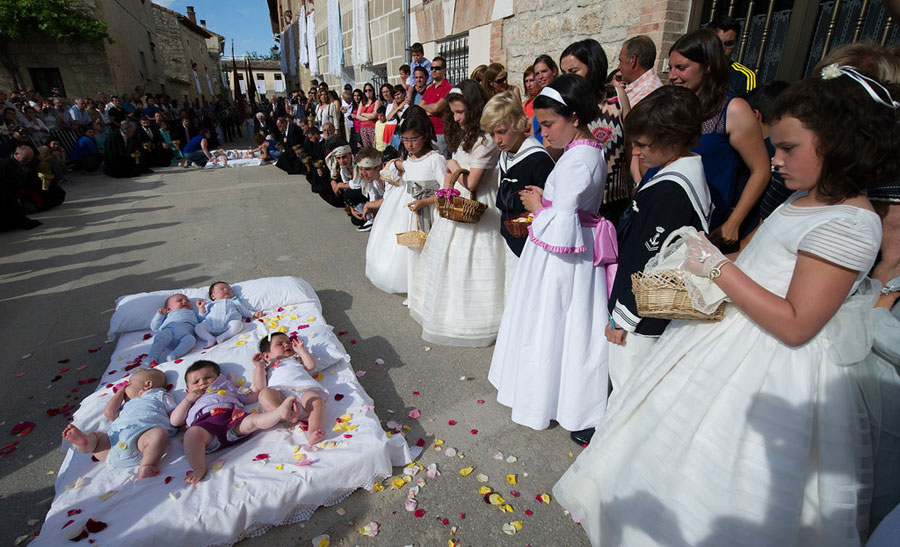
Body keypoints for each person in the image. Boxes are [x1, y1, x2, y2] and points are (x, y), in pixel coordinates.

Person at [553, 65, 898, 546]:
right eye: (774, 145)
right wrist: (721, 259)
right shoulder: (806, 199)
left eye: (788, 148)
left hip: (772, 362)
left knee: (724, 471)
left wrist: (717, 267)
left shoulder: (850, 223)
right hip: (735, 333)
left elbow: (798, 323)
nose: (774, 160)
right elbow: (763, 261)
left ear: (841, 142)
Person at [489, 74, 610, 431]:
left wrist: (538, 205)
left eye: (548, 124)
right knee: (552, 324)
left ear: (574, 117)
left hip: (562, 259)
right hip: (563, 252)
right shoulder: (581, 152)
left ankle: (543, 399)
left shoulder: (578, 160)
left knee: (552, 324)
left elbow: (562, 220)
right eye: (540, 125)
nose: (544, 134)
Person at [604, 84, 711, 407]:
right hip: (652, 306)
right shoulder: (683, 171)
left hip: (643, 312)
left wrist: (623, 318)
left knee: (628, 386)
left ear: (673, 140)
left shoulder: (670, 191)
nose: (637, 152)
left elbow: (645, 257)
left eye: (643, 145)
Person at [409, 81, 506, 346]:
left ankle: (471, 318)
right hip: (456, 201)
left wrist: (452, 164)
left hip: (476, 203)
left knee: (472, 260)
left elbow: (472, 182)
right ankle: (448, 310)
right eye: (453, 112)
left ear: (474, 109)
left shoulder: (485, 141)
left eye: (461, 112)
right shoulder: (467, 137)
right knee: (451, 259)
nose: (457, 117)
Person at [667, 28, 770, 247]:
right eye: (670, 68)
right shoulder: (674, 104)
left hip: (703, 225)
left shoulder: (733, 110)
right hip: (665, 214)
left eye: (681, 68)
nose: (672, 76)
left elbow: (761, 170)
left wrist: (733, 223)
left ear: (708, 67)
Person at [171, 360, 299, 483]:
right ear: (187, 390)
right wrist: (187, 400)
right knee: (192, 434)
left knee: (254, 420)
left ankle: (279, 413)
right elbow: (175, 421)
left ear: (219, 378)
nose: (202, 383)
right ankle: (198, 468)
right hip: (207, 429)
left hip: (234, 420)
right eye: (196, 382)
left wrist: (259, 368)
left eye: (208, 377)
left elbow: (254, 394)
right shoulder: (190, 401)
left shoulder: (228, 386)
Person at [365, 107, 439, 294]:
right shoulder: (409, 159)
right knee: (409, 247)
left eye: (413, 140)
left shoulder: (435, 159)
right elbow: (406, 173)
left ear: (424, 136)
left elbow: (445, 188)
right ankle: (412, 285)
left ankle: (425, 286)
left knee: (425, 246)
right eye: (405, 140)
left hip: (427, 207)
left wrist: (426, 201)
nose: (409, 145)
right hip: (407, 206)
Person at [560, 39, 630, 224]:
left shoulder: (616, 97)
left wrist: (638, 181)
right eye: (564, 73)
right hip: (580, 200)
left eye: (574, 71)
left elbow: (631, 144)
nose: (568, 78)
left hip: (615, 200)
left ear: (593, 67)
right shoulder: (565, 104)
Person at [61, 368, 176, 479]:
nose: (125, 387)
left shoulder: (160, 395)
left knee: (159, 434)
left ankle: (147, 464)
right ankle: (84, 443)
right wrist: (120, 393)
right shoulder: (127, 405)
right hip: (113, 444)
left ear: (147, 385)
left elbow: (175, 413)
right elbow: (109, 413)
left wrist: (180, 424)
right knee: (96, 437)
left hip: (140, 441)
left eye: (129, 384)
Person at [481, 90, 554, 257]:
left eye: (501, 132)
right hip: (509, 237)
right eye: (492, 134)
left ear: (516, 123)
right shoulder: (505, 154)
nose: (497, 140)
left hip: (531, 245)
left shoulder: (537, 159)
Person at [253, 333, 327, 445]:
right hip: (280, 398)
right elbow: (260, 387)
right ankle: (287, 416)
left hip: (303, 391)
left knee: (315, 398)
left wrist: (301, 350)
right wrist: (259, 367)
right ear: (267, 356)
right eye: (280, 344)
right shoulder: (266, 367)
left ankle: (313, 430)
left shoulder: (296, 359)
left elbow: (311, 366)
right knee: (264, 394)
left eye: (288, 342)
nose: (286, 345)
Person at [194, 281, 263, 346]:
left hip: (229, 325)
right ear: (213, 296)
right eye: (222, 289)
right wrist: (201, 309)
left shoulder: (234, 301)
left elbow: (244, 311)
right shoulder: (210, 304)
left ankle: (223, 337)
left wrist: (253, 314)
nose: (226, 290)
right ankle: (209, 338)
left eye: (229, 289)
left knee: (238, 324)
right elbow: (201, 318)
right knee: (198, 327)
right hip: (210, 325)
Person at [709, 15, 757, 94]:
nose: (722, 49)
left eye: (729, 43)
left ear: (736, 43)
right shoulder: (695, 68)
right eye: (717, 43)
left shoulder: (744, 77)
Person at [148, 294, 201, 364]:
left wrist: (201, 309)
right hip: (170, 330)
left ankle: (173, 355)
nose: (185, 302)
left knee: (191, 340)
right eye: (179, 301)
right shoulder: (169, 314)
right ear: (169, 308)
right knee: (160, 337)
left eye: (187, 301)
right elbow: (155, 328)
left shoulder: (193, 312)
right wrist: (159, 316)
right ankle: (152, 357)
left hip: (186, 334)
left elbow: (202, 320)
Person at [0, 146, 42, 230]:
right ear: (16, 154)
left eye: (29, 159)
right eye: (25, 159)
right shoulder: (4, 164)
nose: (27, 161)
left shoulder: (28, 163)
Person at [617, 35, 664, 106]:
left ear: (632, 60)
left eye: (621, 61)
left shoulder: (647, 94)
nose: (618, 67)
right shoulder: (639, 87)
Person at [420, 56, 452, 157]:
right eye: (432, 68)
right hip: (427, 133)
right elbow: (420, 106)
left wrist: (427, 107)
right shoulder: (429, 89)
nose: (434, 70)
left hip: (440, 133)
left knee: (442, 163)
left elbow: (436, 108)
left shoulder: (448, 88)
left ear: (444, 70)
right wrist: (430, 111)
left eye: (437, 68)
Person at [530, 55, 559, 144]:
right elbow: (533, 129)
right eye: (537, 74)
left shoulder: (560, 95)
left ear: (554, 71)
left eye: (544, 71)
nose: (540, 77)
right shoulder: (540, 98)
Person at [355, 83, 381, 148]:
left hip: (373, 127)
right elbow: (357, 116)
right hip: (363, 129)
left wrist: (363, 114)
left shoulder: (377, 101)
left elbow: (374, 115)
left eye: (370, 90)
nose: (368, 92)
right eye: (366, 90)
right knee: (367, 149)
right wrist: (368, 118)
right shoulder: (362, 102)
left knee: (375, 147)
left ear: (373, 91)